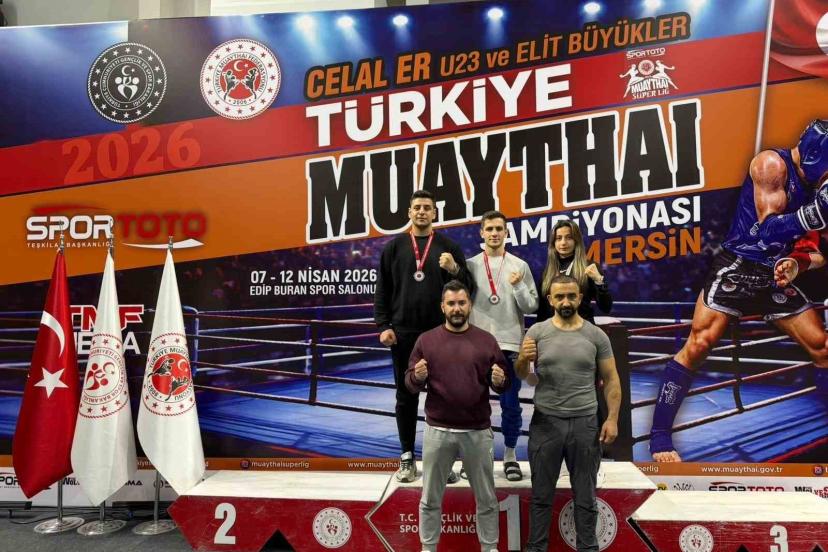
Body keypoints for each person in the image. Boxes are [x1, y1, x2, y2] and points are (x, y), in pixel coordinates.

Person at [650, 119, 828, 462]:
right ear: (817, 155)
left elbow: (819, 254)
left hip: (774, 274)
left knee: (822, 347)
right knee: (698, 344)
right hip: (738, 267)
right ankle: (659, 440)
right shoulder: (771, 164)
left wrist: (798, 263)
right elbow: (768, 229)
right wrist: (814, 213)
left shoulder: (817, 189)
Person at [516, 274, 621, 552]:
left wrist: (612, 418)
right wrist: (523, 358)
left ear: (580, 298)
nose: (566, 302)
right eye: (560, 296)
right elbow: (523, 375)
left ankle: (588, 548)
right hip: (545, 423)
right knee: (540, 496)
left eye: (571, 296)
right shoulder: (536, 332)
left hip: (585, 423)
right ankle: (536, 548)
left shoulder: (596, 335)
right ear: (550, 300)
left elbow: (611, 378)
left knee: (586, 497)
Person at [374, 189, 473, 482]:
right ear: (409, 212)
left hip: (441, 334)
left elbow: (468, 289)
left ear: (434, 213)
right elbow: (383, 289)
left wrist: (454, 269)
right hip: (403, 334)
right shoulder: (393, 247)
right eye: (417, 207)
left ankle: (443, 461)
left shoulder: (448, 246)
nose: (421, 212)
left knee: (445, 396)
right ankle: (407, 457)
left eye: (427, 208)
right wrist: (383, 325)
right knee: (406, 396)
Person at [405, 280, 508, 552]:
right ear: (442, 307)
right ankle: (428, 548)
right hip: (438, 431)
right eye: (451, 303)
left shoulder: (486, 341)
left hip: (477, 431)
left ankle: (489, 548)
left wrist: (500, 381)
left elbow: (503, 382)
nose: (457, 308)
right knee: (430, 498)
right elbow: (409, 384)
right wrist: (417, 377)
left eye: (461, 303)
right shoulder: (426, 340)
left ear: (470, 305)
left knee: (486, 498)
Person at [466, 210, 538, 481]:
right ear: (482, 233)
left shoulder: (520, 265)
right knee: (473, 405)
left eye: (499, 228)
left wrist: (518, 286)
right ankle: (474, 458)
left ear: (507, 233)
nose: (495, 233)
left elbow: (531, 306)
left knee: (511, 405)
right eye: (490, 229)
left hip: (509, 346)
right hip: (476, 346)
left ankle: (510, 456)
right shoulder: (470, 265)